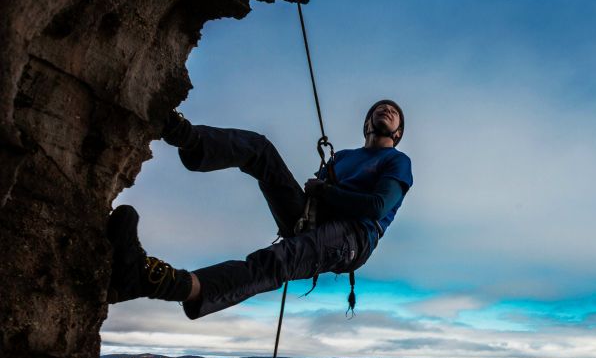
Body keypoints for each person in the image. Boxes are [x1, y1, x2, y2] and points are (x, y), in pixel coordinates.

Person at [106, 99, 412, 319]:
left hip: (352, 237)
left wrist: (325, 190)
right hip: (315, 215)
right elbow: (318, 191)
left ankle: (156, 282)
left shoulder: (397, 161)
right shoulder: (343, 156)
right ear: (368, 122)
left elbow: (375, 207)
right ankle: (182, 134)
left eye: (394, 113)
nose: (387, 110)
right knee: (260, 150)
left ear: (397, 133)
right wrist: (318, 190)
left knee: (273, 263)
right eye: (380, 109)